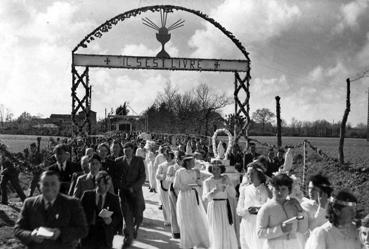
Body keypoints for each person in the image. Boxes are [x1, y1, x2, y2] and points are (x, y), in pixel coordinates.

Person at [14, 170, 88, 249]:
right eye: (46, 184)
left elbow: (82, 230)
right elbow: (18, 230)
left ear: (59, 185)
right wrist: (31, 235)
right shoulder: (29, 203)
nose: (49, 188)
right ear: (40, 186)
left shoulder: (72, 203)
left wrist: (61, 233)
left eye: (53, 184)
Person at [256, 173, 308, 249]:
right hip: (273, 246)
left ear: (289, 190)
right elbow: (259, 233)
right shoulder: (266, 208)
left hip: (293, 245)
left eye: (283, 189)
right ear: (272, 189)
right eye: (277, 189)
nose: (280, 192)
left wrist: (300, 209)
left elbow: (303, 229)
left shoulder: (293, 205)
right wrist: (280, 229)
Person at [174, 156, 209, 249]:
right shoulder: (179, 172)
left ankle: (197, 240)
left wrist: (198, 178)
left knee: (195, 217)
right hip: (184, 197)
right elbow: (175, 185)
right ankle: (187, 242)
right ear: (188, 162)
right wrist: (187, 187)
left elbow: (199, 183)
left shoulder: (195, 171)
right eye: (192, 161)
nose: (194, 163)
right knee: (186, 218)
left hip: (194, 196)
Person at [80, 171, 122, 249]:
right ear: (97, 183)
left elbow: (119, 217)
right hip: (88, 236)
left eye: (108, 184)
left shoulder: (114, 199)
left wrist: (111, 221)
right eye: (104, 184)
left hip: (105, 237)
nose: (107, 187)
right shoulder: (87, 195)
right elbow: (78, 214)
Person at [115, 142, 146, 248]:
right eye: (125, 150)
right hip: (123, 192)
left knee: (138, 214)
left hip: (136, 192)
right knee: (126, 214)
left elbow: (143, 176)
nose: (126, 152)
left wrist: (134, 187)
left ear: (133, 150)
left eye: (128, 150)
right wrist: (122, 187)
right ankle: (128, 235)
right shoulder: (118, 161)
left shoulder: (139, 160)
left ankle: (135, 228)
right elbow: (116, 177)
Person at [203, 160, 238, 249]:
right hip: (214, 206)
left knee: (226, 227)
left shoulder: (225, 178)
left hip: (225, 206)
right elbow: (205, 198)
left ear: (221, 169)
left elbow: (233, 194)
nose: (216, 171)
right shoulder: (207, 181)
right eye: (214, 169)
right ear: (211, 169)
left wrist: (228, 185)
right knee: (216, 229)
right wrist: (215, 191)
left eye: (218, 168)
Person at [237, 162, 270, 249]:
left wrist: (259, 209)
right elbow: (238, 210)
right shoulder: (244, 189)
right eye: (248, 174)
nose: (249, 176)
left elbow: (271, 206)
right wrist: (248, 210)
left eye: (252, 173)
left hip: (261, 224)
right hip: (247, 224)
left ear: (259, 174)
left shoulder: (267, 190)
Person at [301, 174, 333, 238]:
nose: (310, 191)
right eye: (309, 188)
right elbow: (311, 230)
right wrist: (321, 208)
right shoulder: (305, 206)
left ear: (323, 191)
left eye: (314, 189)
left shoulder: (332, 206)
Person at [166, 151, 183, 239]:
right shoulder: (172, 168)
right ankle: (176, 231)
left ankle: (183, 230)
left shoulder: (185, 168)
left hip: (183, 191)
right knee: (174, 210)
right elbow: (168, 178)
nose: (179, 160)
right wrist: (176, 179)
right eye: (178, 158)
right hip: (173, 191)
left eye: (181, 158)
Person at [156, 150, 175, 226]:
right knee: (165, 203)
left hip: (173, 187)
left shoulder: (175, 165)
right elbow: (157, 175)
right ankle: (167, 220)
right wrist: (162, 176)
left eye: (169, 156)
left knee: (172, 203)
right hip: (164, 186)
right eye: (166, 156)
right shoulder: (162, 165)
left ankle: (174, 220)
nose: (167, 157)